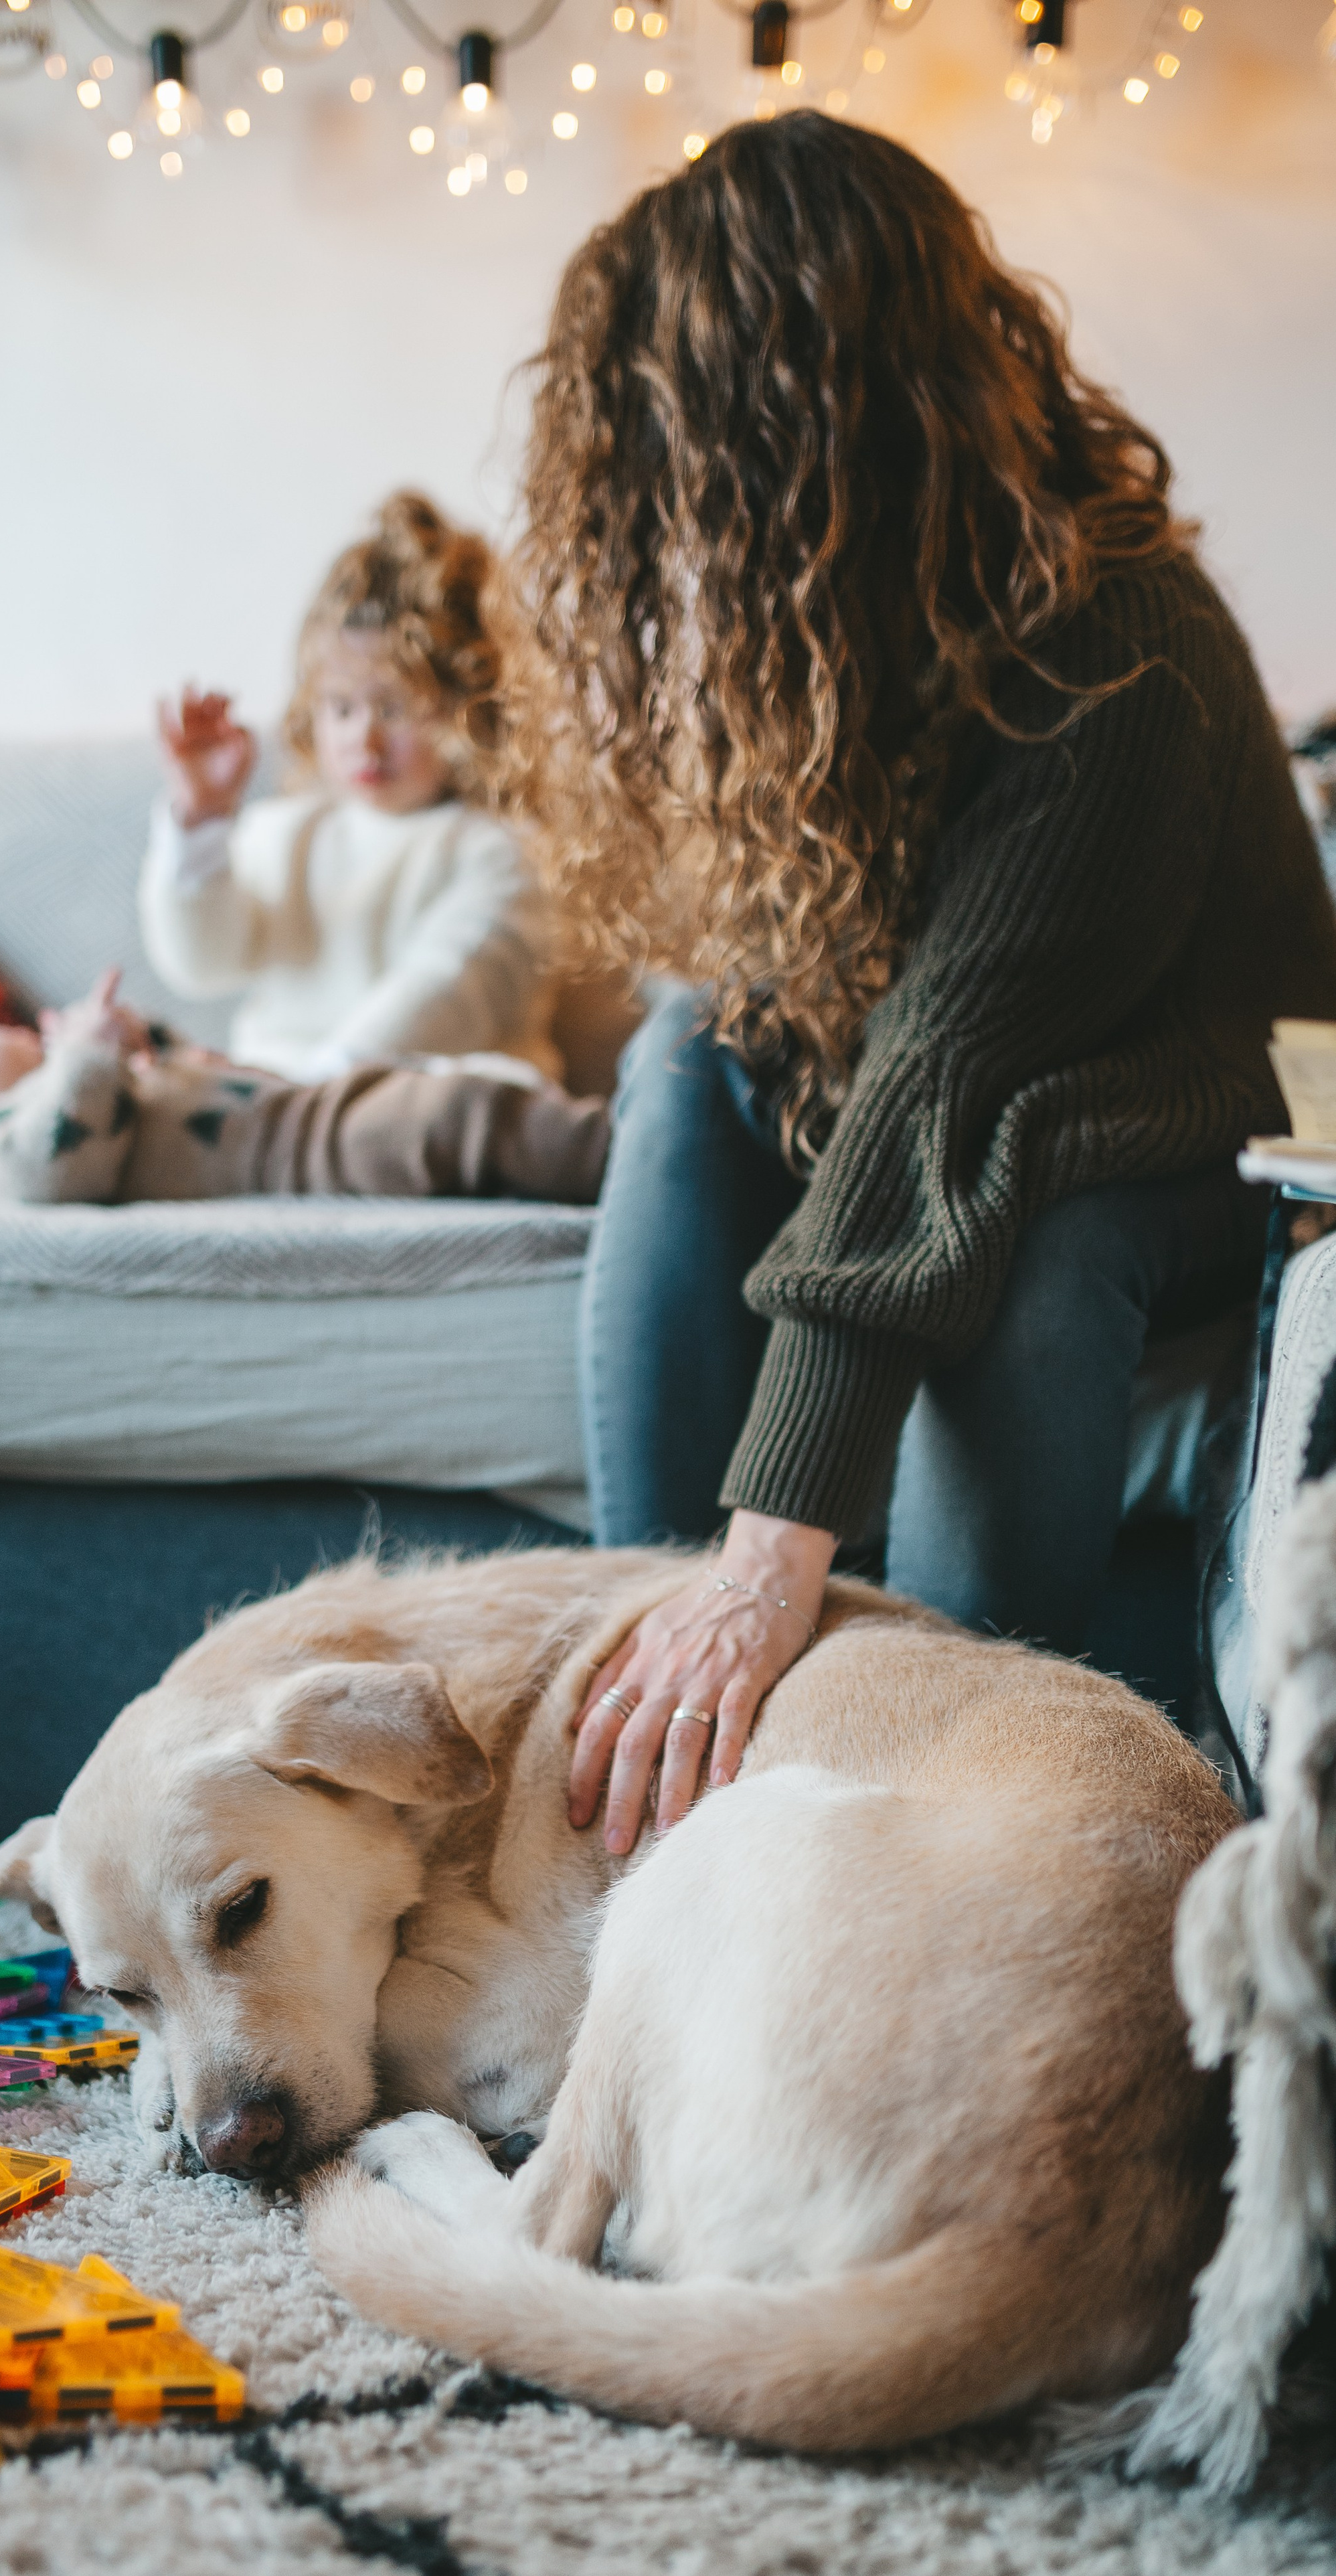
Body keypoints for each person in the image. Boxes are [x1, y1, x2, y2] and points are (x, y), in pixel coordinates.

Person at [485, 114, 1336, 1854]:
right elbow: (860, 1046)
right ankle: (639, 1704)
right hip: (1013, 1096)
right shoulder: (845, 636)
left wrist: (772, 1559)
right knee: (692, 1043)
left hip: (1206, 1106)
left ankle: (943, 1796)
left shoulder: (1123, 637)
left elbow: (939, 1092)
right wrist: (704, 1590)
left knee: (1033, 1221)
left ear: (815, 419)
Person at [139, 491, 561, 1084]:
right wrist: (202, 819)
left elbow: (444, 994)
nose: (364, 741)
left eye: (396, 710)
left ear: (474, 712)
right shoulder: (286, 832)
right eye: (341, 708)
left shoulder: (499, 853)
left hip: (423, 1094)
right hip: (280, 1092)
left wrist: (312, 1090)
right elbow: (201, 963)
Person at [0, 969, 607, 1206]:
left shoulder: (62, 1099)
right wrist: (83, 1059)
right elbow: (51, 1169)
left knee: (467, 1106)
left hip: (304, 1112)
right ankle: (618, 1152)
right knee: (460, 1120)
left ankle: (614, 1137)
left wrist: (134, 1041)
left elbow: (164, 1082)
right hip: (303, 1157)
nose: (15, 1028)